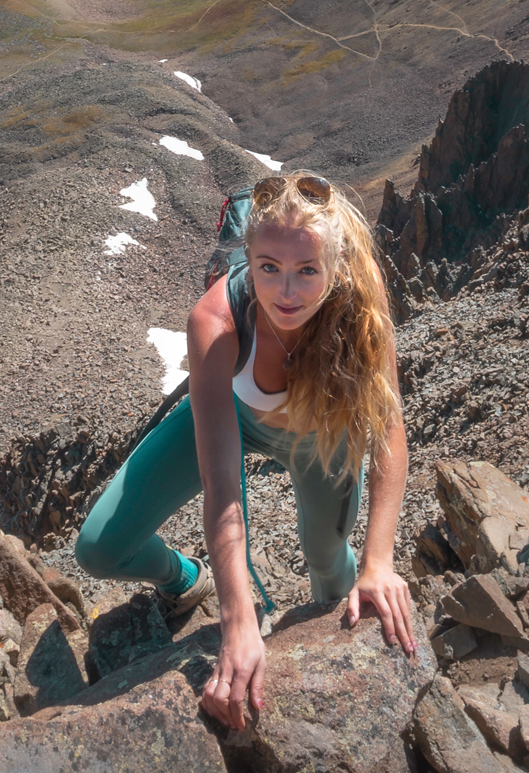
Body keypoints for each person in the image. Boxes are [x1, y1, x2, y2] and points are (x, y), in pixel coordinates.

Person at [75, 169, 417, 729]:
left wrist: (379, 560)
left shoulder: (361, 295)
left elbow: (387, 427)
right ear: (248, 260)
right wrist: (238, 621)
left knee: (332, 570)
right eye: (268, 269)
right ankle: (184, 581)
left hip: (320, 432)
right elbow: (223, 488)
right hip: (232, 415)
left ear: (334, 265)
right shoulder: (216, 322)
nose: (286, 292)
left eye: (308, 271)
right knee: (97, 548)